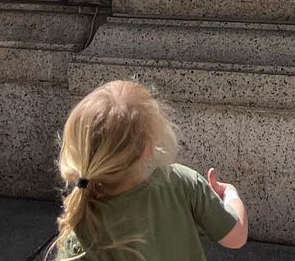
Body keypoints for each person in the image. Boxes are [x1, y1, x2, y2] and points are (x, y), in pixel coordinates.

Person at [51, 80, 248, 260]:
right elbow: (236, 237)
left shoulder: (82, 227)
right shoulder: (180, 182)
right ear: (147, 148)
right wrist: (230, 194)